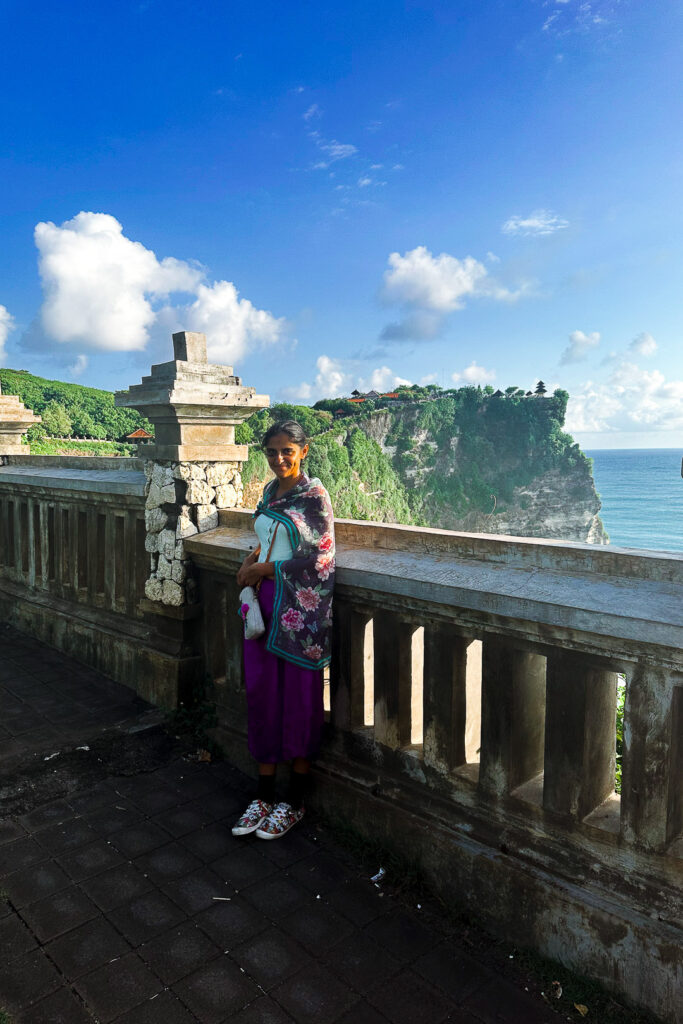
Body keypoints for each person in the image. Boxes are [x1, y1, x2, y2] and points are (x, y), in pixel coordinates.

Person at [231, 420, 335, 840]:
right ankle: (263, 795)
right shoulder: (270, 493)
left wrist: (265, 569)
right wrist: (249, 561)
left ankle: (293, 801)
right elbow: (267, 535)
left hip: (298, 619)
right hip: (264, 610)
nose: (278, 459)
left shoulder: (314, 497)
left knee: (298, 702)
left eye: (286, 451)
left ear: (303, 451)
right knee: (262, 695)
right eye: (272, 452)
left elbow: (321, 559)